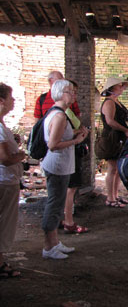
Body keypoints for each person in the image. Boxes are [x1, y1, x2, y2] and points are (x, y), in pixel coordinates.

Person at [41, 80, 89, 259]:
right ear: (61, 93)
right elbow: (53, 144)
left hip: (61, 166)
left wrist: (76, 134)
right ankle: (48, 247)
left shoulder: (59, 113)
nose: (74, 95)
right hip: (57, 166)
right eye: (70, 92)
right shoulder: (60, 116)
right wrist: (76, 141)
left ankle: (54, 243)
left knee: (57, 204)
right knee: (54, 206)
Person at [0, 83, 26, 278]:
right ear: (1, 101)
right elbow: (5, 159)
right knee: (5, 222)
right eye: (11, 97)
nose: (13, 101)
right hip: (5, 181)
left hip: (6, 180)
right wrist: (21, 156)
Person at [62, 80, 89, 234]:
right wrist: (78, 136)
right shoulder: (61, 113)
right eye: (72, 92)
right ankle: (68, 221)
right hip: (66, 154)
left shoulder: (67, 111)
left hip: (70, 153)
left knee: (69, 187)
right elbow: (57, 138)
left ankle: (66, 219)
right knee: (70, 188)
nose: (75, 95)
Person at [100, 77, 128, 208]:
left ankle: (116, 195)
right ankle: (110, 198)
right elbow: (110, 121)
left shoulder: (116, 101)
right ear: (112, 88)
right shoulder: (109, 103)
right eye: (119, 86)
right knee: (112, 168)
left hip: (119, 137)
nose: (121, 88)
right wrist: (125, 130)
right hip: (111, 138)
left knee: (118, 168)